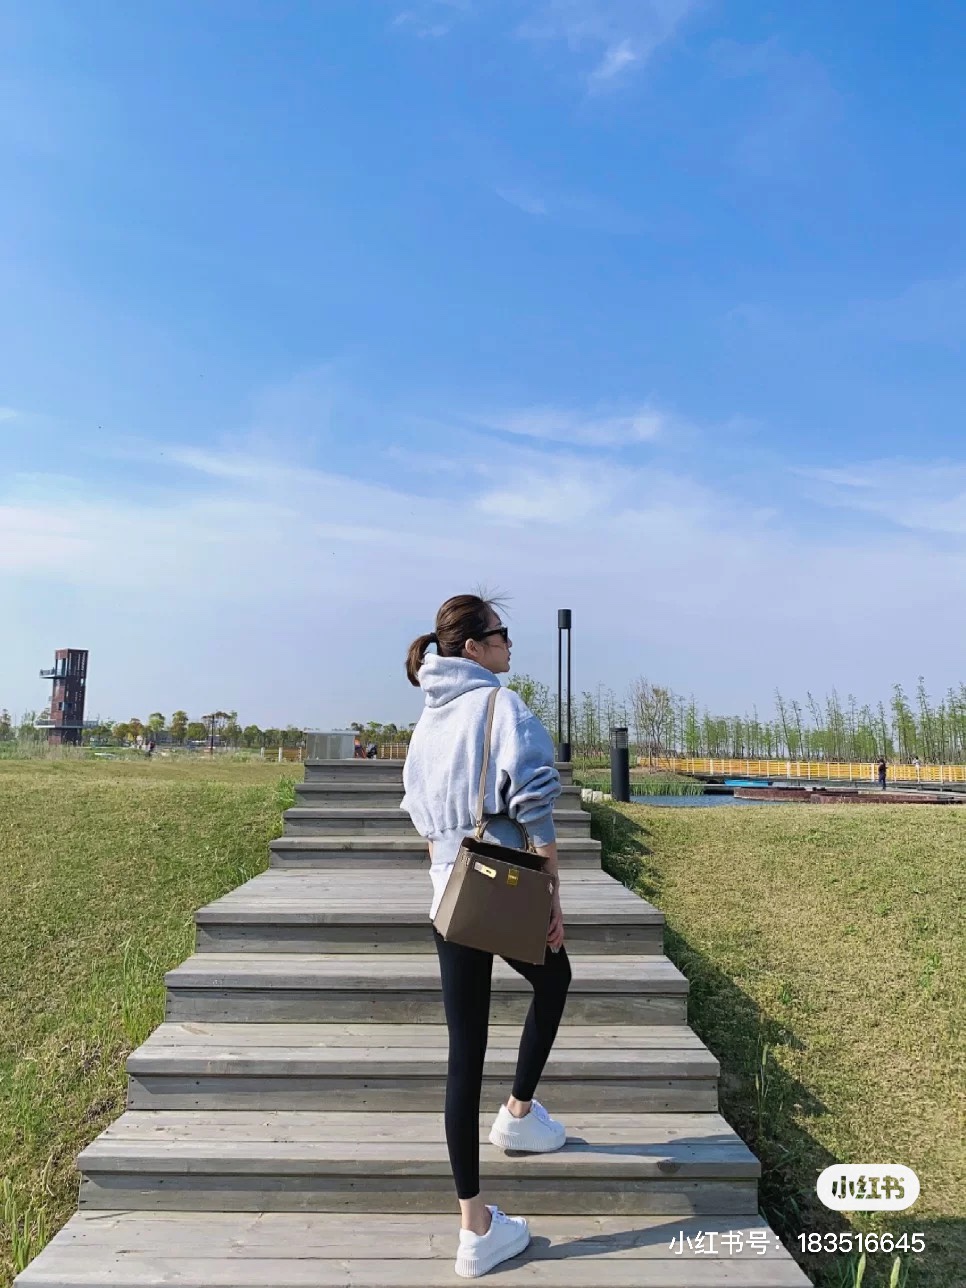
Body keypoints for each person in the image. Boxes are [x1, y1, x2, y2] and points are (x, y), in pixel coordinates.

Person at [401, 594, 569, 1279]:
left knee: (463, 1053)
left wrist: (445, 871)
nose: (509, 644)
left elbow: (419, 813)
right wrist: (552, 894)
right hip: (501, 879)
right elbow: (535, 806)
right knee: (556, 977)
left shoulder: (428, 717)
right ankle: (519, 1113)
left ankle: (474, 1226)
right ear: (472, 647)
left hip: (448, 891)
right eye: (501, 634)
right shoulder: (501, 705)